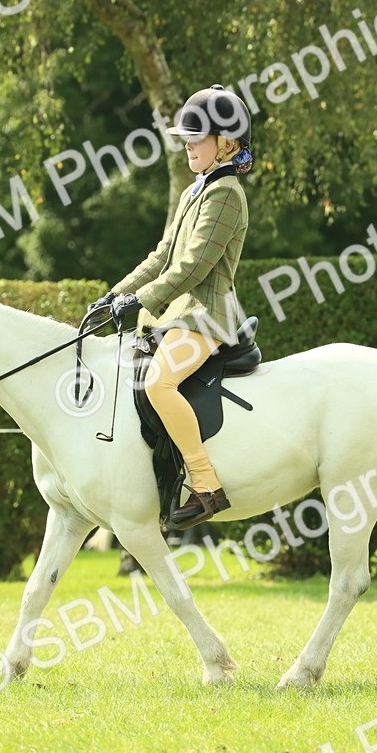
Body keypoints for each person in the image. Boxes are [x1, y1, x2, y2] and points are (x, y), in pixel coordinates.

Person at [91, 84, 254, 529]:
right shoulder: (193, 193)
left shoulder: (226, 195)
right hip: (173, 316)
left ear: (227, 143)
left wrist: (139, 301)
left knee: (160, 384)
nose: (187, 146)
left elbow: (193, 267)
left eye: (196, 138)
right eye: (185, 138)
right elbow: (162, 256)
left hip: (205, 316)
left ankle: (205, 485)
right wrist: (114, 295)